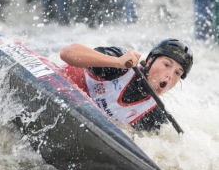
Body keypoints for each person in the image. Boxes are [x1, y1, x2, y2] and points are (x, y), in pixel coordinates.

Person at [60, 38, 193, 132]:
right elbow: (67, 53)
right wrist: (117, 62)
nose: (170, 75)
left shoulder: (153, 116)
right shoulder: (121, 64)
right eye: (166, 65)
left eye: (177, 73)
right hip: (61, 88)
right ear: (150, 60)